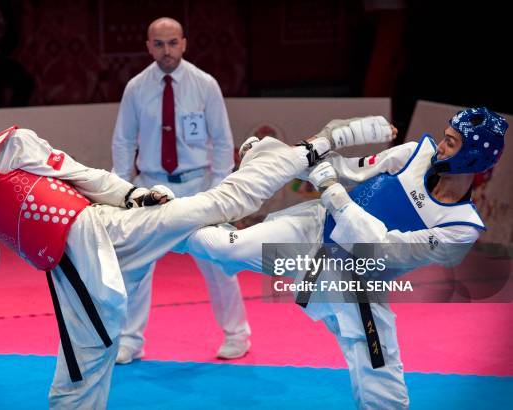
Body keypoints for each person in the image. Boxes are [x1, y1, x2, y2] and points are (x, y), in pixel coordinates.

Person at [0, 81, 315, 408]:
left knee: (214, 224)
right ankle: (309, 241)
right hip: (69, 269)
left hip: (107, 227)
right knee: (81, 370)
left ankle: (305, 156)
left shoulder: (15, 145)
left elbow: (82, 176)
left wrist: (132, 196)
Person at [178, 109, 508, 409]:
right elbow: (350, 170)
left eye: (451, 143)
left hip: (357, 282)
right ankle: (160, 221)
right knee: (225, 247)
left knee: (383, 389)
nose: (439, 146)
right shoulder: (415, 154)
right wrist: (278, 156)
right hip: (313, 231)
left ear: (472, 158)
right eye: (444, 137)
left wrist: (334, 193)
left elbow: (381, 247)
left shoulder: (459, 228)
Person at [111, 17, 250, 363]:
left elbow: (222, 142)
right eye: (159, 44)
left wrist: (221, 191)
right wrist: (120, 191)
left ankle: (237, 334)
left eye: (173, 43)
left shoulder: (205, 84)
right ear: (148, 47)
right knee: (134, 266)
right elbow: (124, 142)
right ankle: (130, 340)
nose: (167, 50)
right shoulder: (136, 88)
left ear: (184, 43)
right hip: (149, 188)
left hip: (199, 185)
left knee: (219, 261)